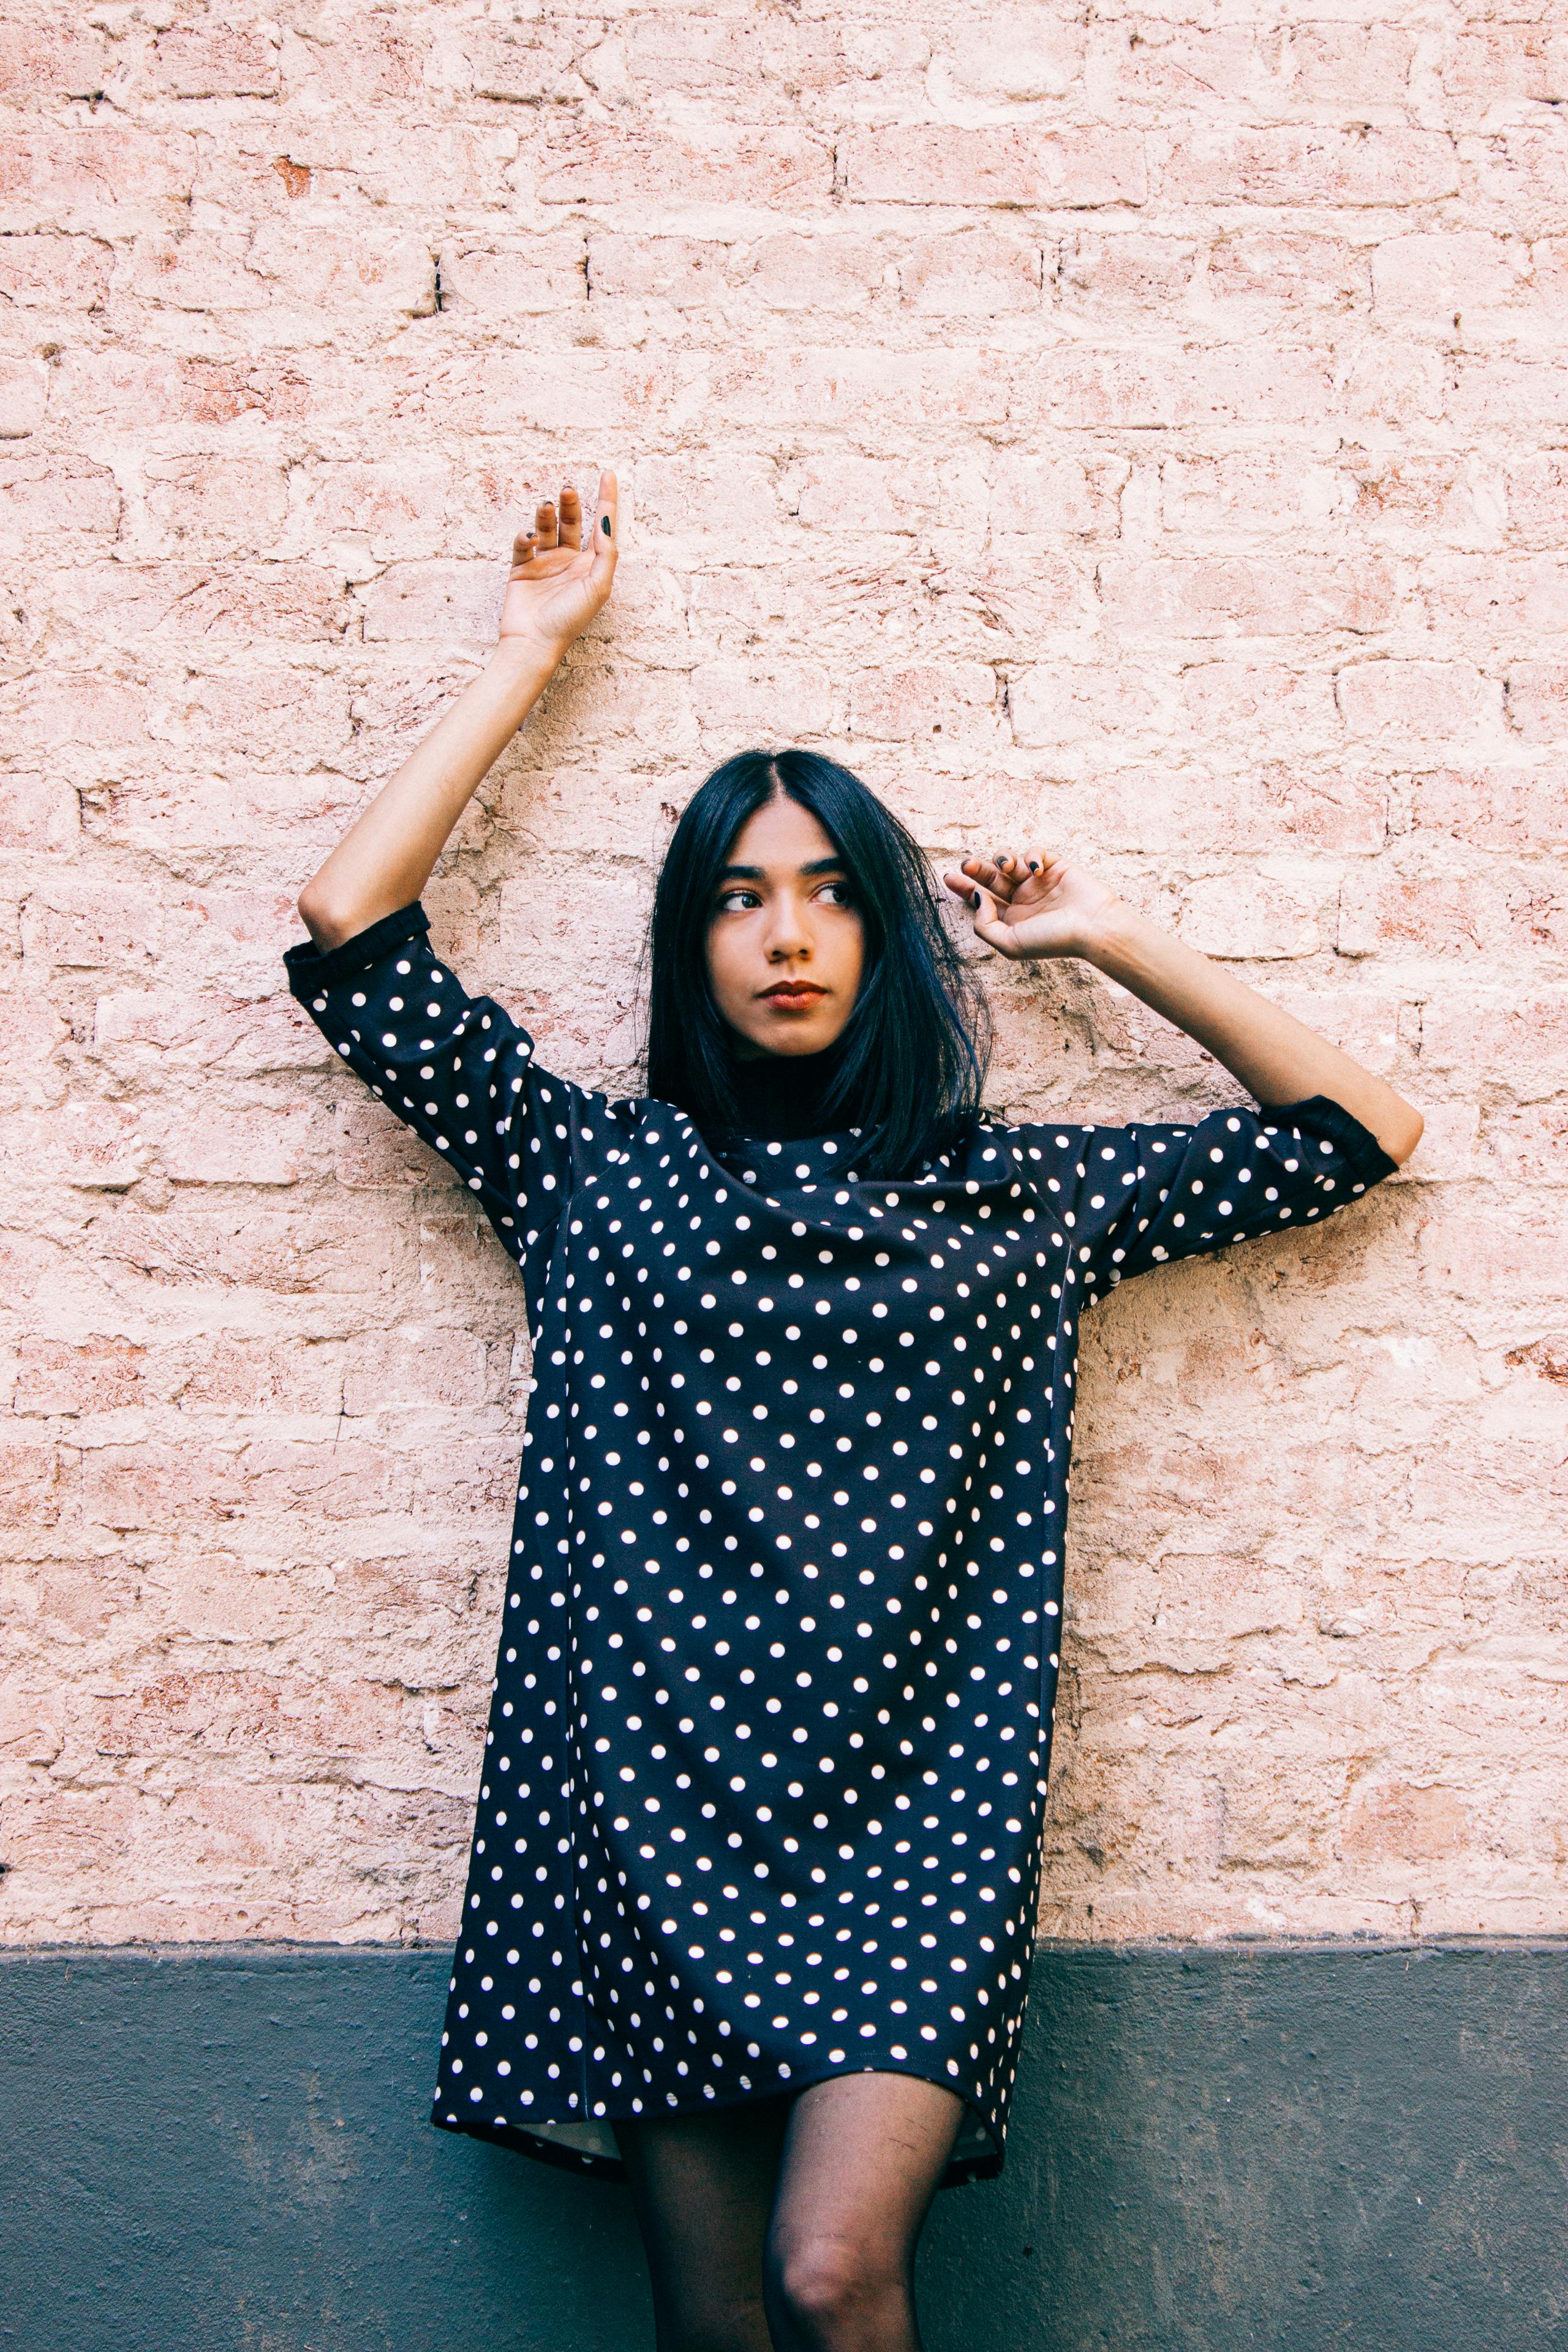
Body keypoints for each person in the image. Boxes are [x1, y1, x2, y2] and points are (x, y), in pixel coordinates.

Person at [286, 472, 1423, 2352]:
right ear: (694, 947)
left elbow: (1356, 1137)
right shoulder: (597, 1176)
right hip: (646, 1805)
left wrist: (1109, 938)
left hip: (921, 1812)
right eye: (739, 898)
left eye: (829, 895)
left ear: (892, 941)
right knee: (720, 2316)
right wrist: (524, 652)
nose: (786, 935)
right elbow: (351, 934)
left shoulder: (1016, 1197)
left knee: (835, 2271)